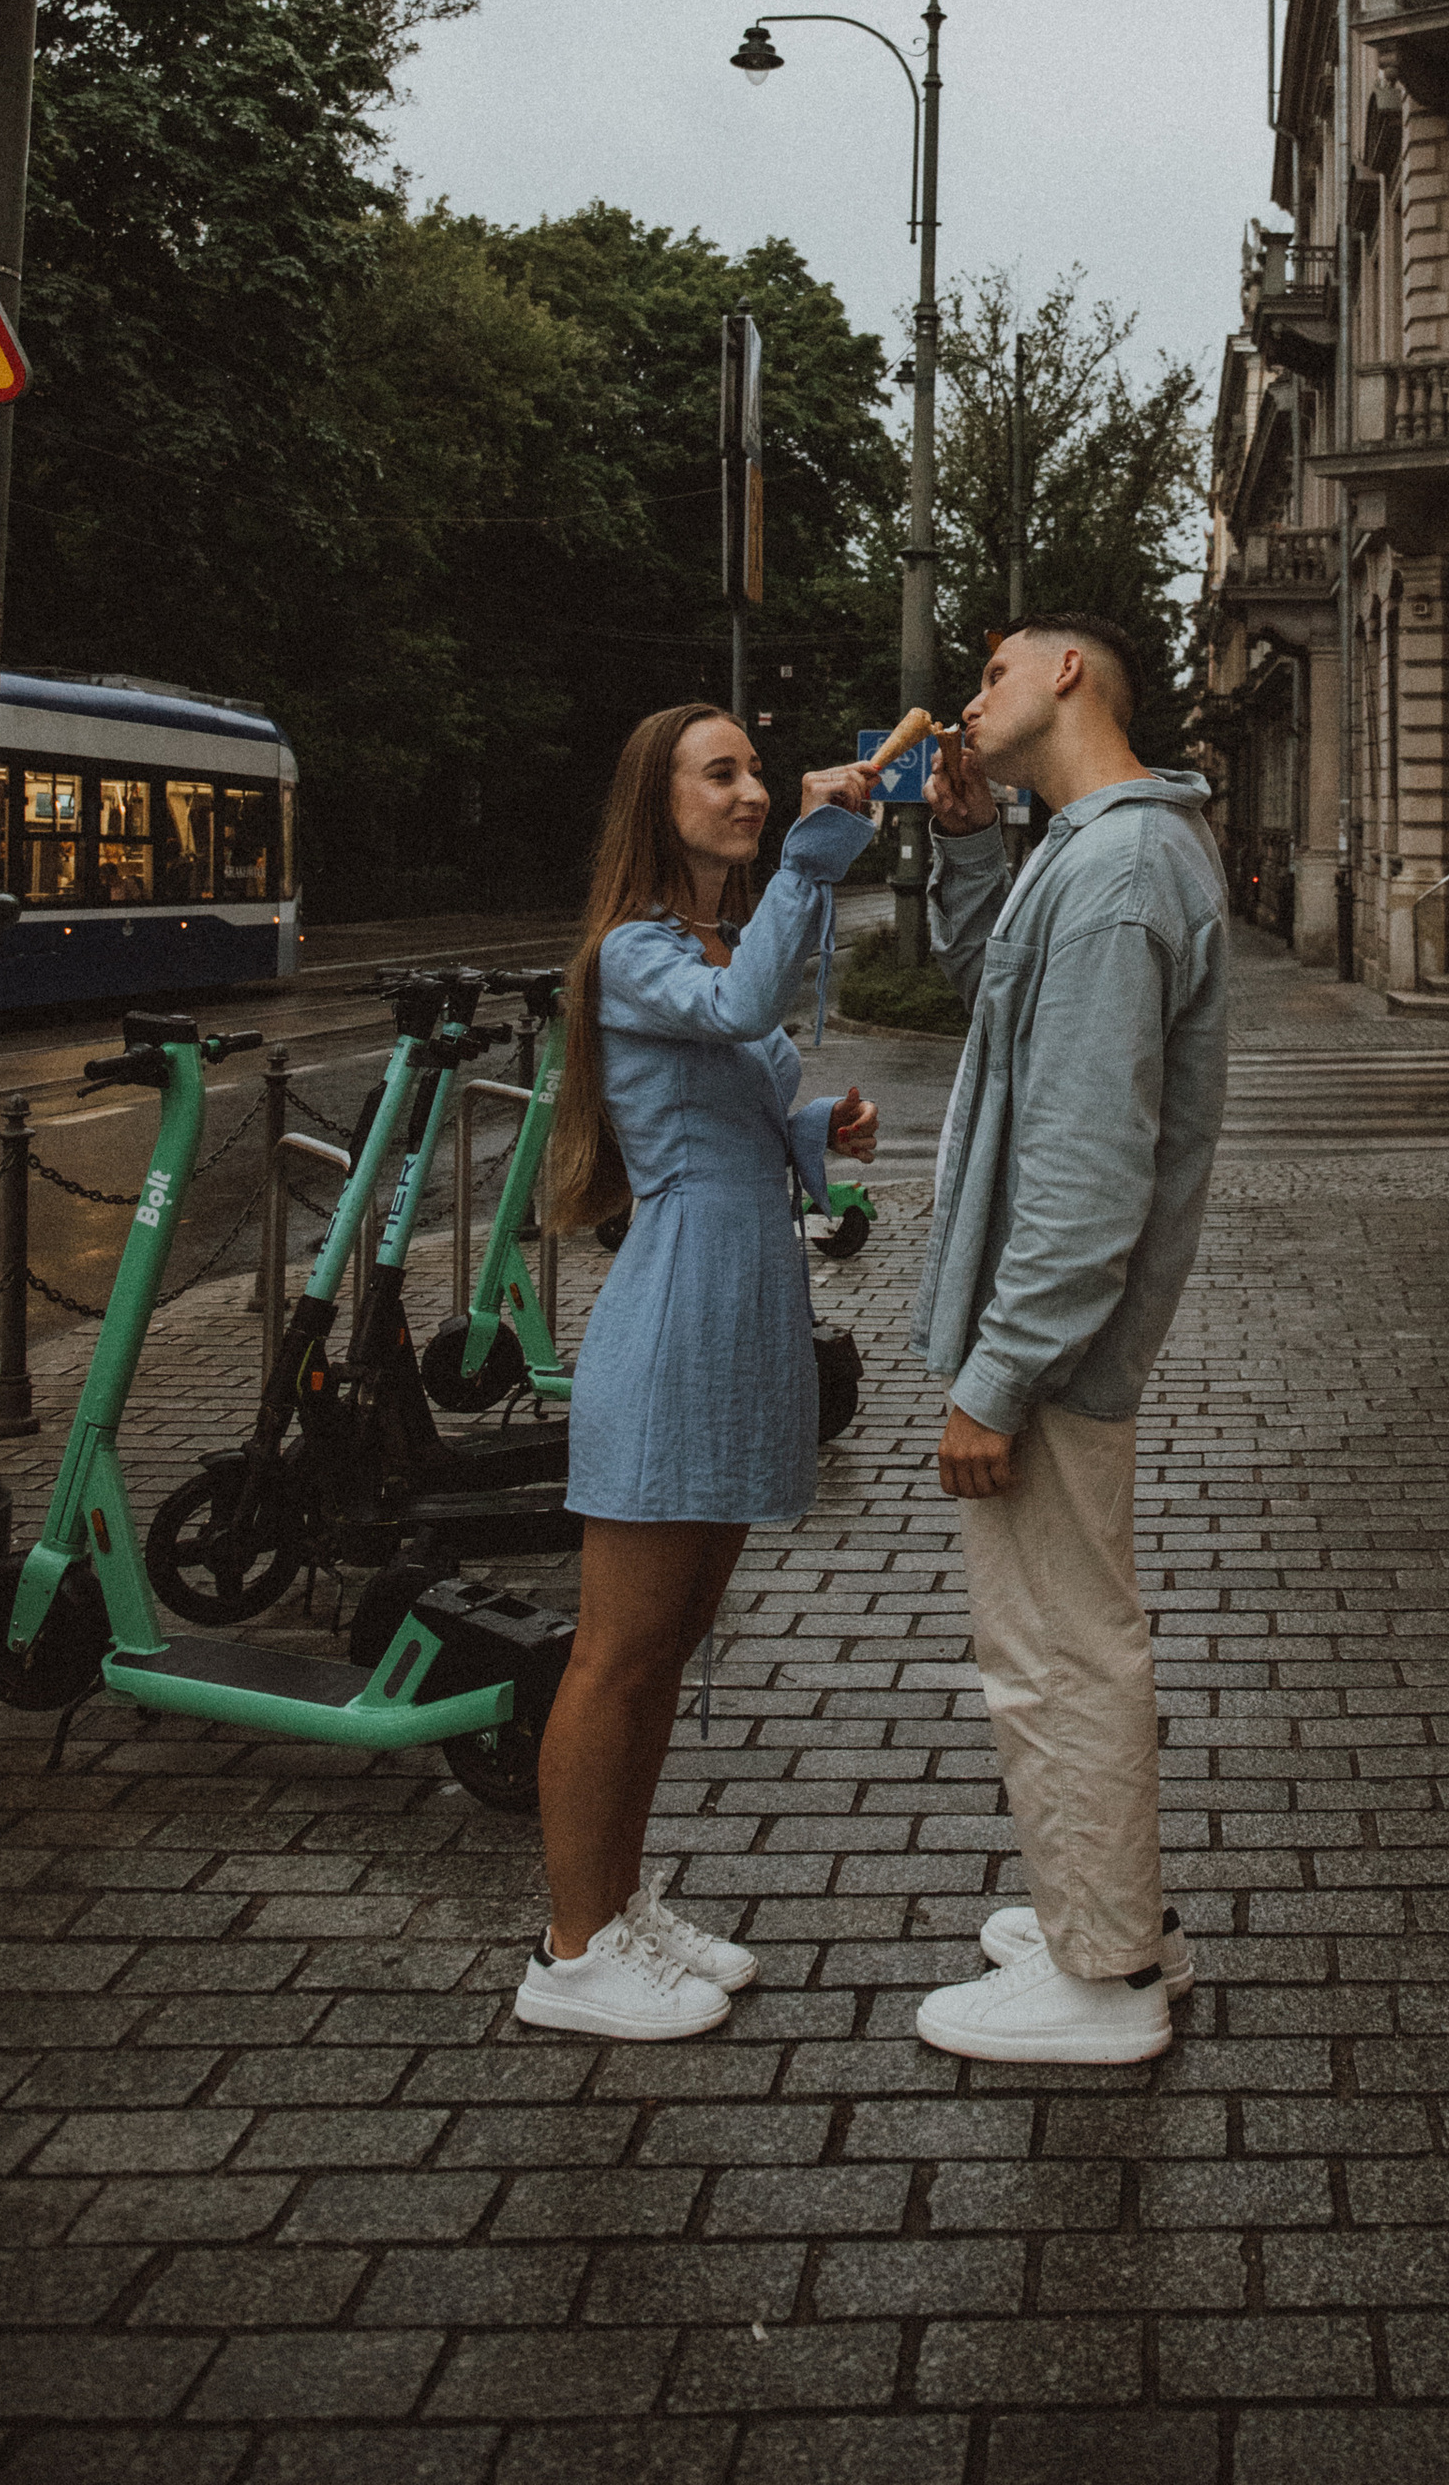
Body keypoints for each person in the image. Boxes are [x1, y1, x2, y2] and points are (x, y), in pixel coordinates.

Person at [516, 701, 880, 2042]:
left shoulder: (706, 944)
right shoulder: (636, 953)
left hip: (733, 1306)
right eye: (720, 774)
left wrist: (809, 1121)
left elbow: (727, 1081)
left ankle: (617, 1911)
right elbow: (736, 1012)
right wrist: (808, 859)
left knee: (667, 1644)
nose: (750, 791)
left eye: (754, 771)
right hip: (677, 1318)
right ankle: (568, 1952)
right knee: (616, 1651)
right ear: (656, 802)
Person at [906, 610, 1229, 2065]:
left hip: (1050, 1353)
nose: (965, 701)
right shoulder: (1094, 854)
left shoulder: (1116, 874)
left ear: (1068, 675)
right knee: (1066, 1638)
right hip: (1054, 1343)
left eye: (990, 674)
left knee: (1055, 1653)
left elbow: (1091, 1177)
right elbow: (998, 1007)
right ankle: (1110, 1920)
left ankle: (1102, 1979)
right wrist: (973, 847)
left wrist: (997, 1377)